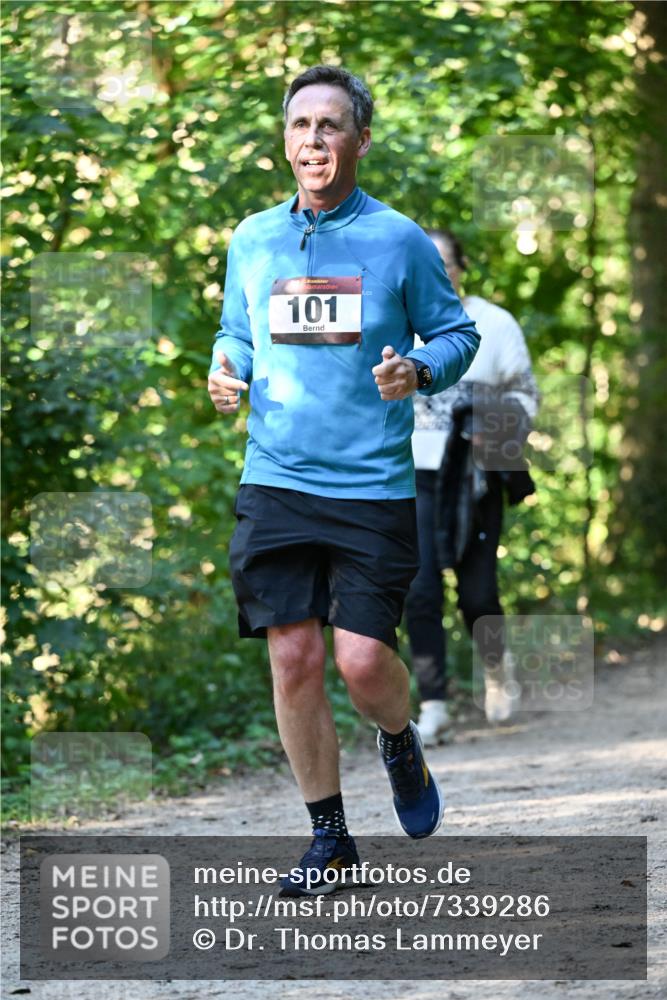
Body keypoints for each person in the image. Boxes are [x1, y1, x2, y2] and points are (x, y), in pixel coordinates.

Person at [207, 66, 480, 896]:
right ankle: (329, 836)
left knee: (362, 663)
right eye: (300, 126)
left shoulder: (397, 240)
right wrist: (226, 371)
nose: (313, 141)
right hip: (276, 479)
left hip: (369, 485)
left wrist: (419, 371)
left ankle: (397, 738)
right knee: (292, 657)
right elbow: (236, 332)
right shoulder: (253, 237)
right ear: (284, 141)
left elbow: (455, 333)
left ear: (360, 139)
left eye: (330, 126)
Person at [406, 230, 539, 745]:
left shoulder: (495, 323)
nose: (437, 271)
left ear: (462, 267)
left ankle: (496, 668)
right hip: (411, 474)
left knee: (478, 593)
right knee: (419, 591)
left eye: (445, 262)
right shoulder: (397, 318)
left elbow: (525, 394)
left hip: (476, 476)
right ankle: (434, 704)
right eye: (426, 262)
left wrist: (496, 427)